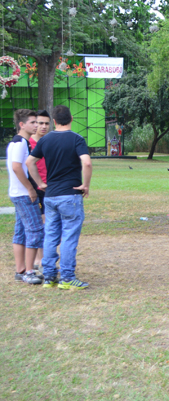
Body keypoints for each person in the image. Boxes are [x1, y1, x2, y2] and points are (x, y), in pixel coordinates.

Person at [27, 105, 92, 290]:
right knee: (69, 236)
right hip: (70, 195)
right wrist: (85, 185)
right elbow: (86, 162)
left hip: (50, 195)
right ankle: (67, 277)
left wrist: (40, 183)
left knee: (50, 235)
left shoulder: (45, 140)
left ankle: (48, 277)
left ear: (54, 121)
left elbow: (29, 162)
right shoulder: (77, 139)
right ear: (71, 118)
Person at [7, 109, 44, 285]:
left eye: (37, 122)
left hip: (16, 193)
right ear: (22, 125)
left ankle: (20, 269)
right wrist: (30, 189)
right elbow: (16, 167)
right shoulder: (21, 142)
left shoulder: (16, 142)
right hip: (22, 194)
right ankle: (29, 271)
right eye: (33, 122)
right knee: (35, 230)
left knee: (21, 231)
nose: (36, 125)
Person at [28, 109, 51, 266]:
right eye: (39, 123)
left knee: (49, 224)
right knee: (39, 224)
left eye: (46, 123)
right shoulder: (28, 143)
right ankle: (39, 259)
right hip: (36, 189)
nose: (43, 126)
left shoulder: (50, 141)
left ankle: (44, 258)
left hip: (51, 188)